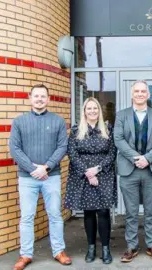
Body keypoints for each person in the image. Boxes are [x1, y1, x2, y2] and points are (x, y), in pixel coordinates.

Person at [9, 84, 71, 270]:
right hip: (27, 178)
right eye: (36, 96)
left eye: (43, 96)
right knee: (27, 217)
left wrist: (46, 167)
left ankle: (59, 251)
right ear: (30, 98)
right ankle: (25, 255)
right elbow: (15, 148)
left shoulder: (58, 121)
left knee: (55, 215)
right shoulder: (19, 122)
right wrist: (32, 169)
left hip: (51, 177)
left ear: (48, 99)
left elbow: (62, 147)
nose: (39, 99)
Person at [113, 80, 152, 263]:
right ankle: (132, 246)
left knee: (150, 210)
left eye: (143, 91)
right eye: (137, 91)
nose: (140, 94)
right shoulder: (121, 115)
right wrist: (137, 158)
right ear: (132, 94)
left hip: (151, 169)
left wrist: (148, 158)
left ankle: (151, 245)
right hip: (129, 169)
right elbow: (118, 139)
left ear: (148, 95)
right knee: (131, 211)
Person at [65, 97, 117, 264]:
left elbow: (112, 152)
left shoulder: (108, 129)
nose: (92, 111)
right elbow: (72, 153)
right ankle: (91, 247)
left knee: (103, 212)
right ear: (84, 111)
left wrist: (98, 169)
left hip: (104, 174)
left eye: (95, 108)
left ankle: (106, 248)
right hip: (83, 174)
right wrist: (88, 173)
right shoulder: (75, 130)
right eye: (89, 109)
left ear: (99, 111)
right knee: (88, 212)